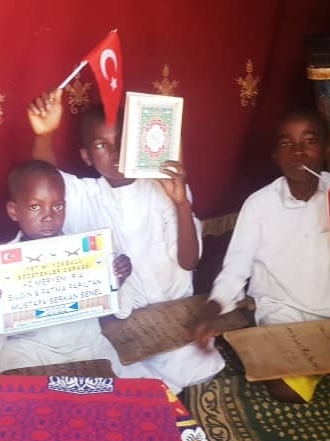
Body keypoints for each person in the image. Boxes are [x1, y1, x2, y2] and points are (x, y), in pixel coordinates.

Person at [193, 108, 330, 403]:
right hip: (284, 319)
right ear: (275, 155)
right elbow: (236, 269)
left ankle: (321, 365)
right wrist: (212, 310)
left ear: (327, 150)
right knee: (285, 389)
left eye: (310, 142)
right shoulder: (259, 205)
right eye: (286, 144)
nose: (298, 152)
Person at [26, 89, 224, 394]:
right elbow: (43, 182)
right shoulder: (84, 196)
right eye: (101, 145)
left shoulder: (163, 187)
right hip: (123, 329)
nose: (115, 152)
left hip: (175, 319)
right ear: (86, 156)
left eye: (122, 140)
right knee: (115, 379)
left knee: (194, 369)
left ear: (137, 142)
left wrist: (181, 204)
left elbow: (189, 261)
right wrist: (44, 134)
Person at [0, 160, 154, 377]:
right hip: (30, 348)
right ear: (14, 211)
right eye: (35, 207)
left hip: (86, 345)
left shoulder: (88, 254)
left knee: (120, 379)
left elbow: (121, 311)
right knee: (10, 376)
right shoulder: (2, 265)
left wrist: (118, 279)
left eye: (57, 206)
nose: (48, 216)